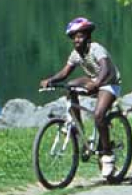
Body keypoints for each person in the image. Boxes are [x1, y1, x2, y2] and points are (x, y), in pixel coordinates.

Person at [41, 16, 122, 177]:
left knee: (99, 115)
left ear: (87, 36)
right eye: (73, 37)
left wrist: (97, 83)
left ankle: (107, 155)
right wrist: (50, 80)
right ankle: (79, 130)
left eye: (80, 36)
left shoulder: (96, 48)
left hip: (110, 82)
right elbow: (65, 72)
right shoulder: (76, 54)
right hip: (94, 80)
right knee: (70, 86)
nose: (76, 40)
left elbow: (106, 69)